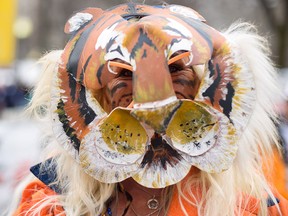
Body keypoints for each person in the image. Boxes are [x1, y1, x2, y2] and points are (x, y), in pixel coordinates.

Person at [9, 2, 288, 216]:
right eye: (124, 73)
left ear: (203, 83)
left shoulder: (255, 206)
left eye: (176, 68)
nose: (154, 97)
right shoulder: (46, 203)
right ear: (95, 93)